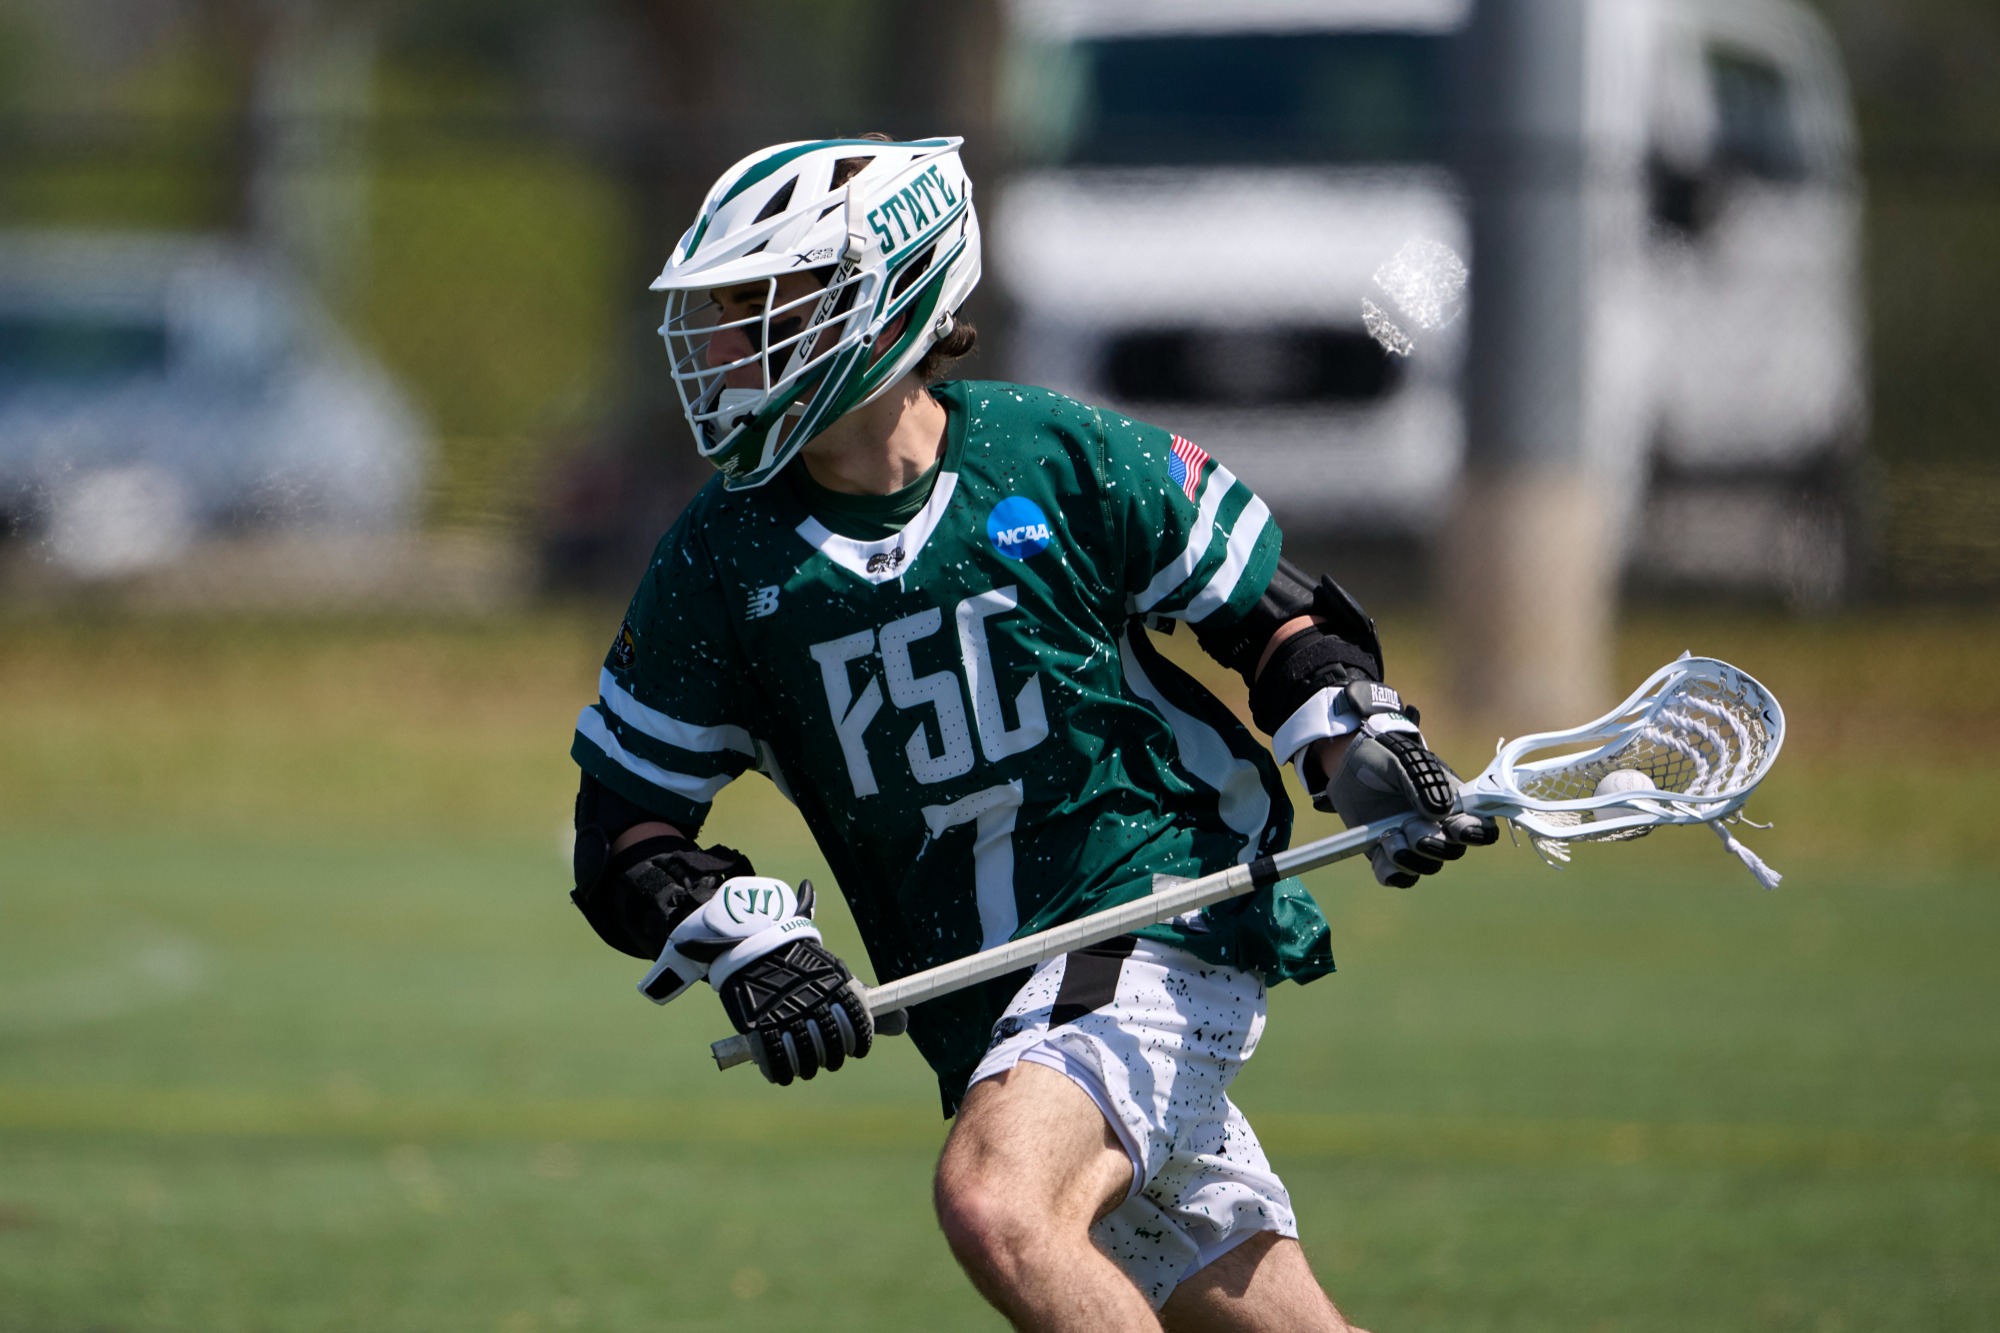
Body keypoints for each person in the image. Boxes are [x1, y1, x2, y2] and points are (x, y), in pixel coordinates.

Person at [567, 135, 1494, 1332]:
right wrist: (747, 947)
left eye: (763, 309)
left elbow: (1276, 617)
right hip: (990, 1003)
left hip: (1151, 907)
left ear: (886, 294)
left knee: (999, 1200)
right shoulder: (717, 557)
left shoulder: (1051, 458)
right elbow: (622, 830)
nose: (726, 351)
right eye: (719, 316)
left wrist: (1349, 747)